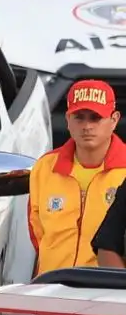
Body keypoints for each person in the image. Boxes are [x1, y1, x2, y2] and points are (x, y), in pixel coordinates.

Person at [29, 79, 126, 275]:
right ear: (67, 119)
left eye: (95, 118)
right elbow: (37, 234)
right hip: (52, 284)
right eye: (79, 117)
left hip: (107, 288)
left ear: (114, 120)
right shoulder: (45, 167)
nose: (87, 126)